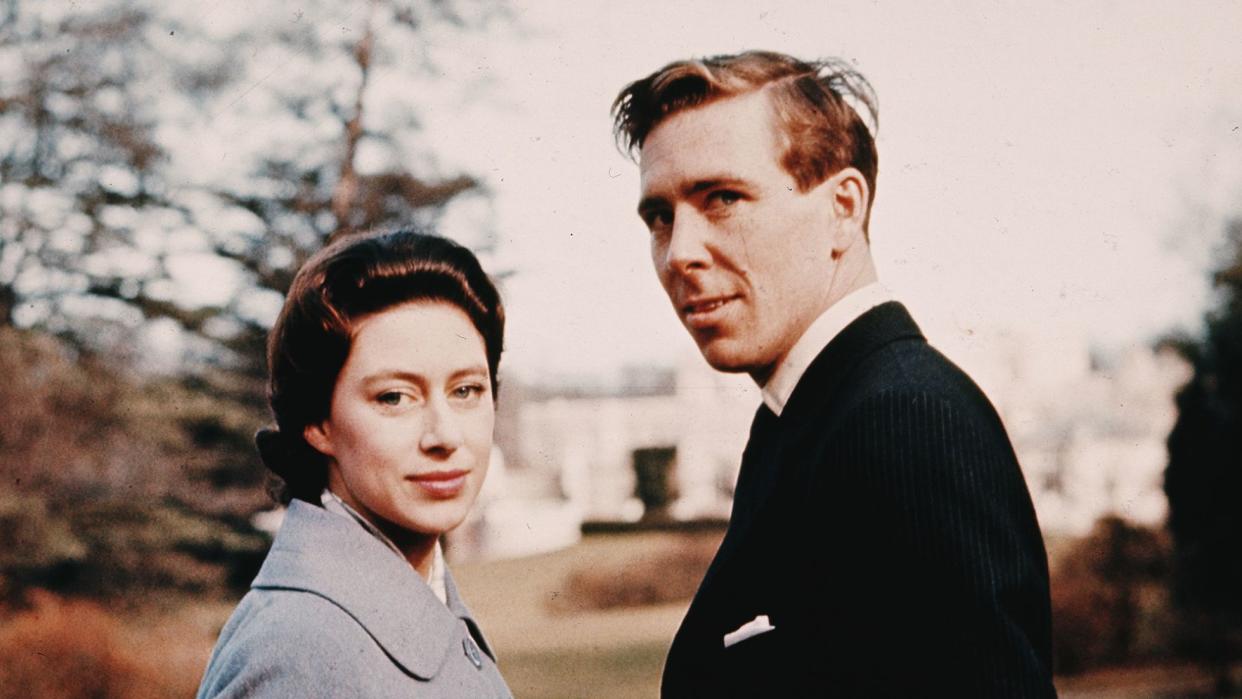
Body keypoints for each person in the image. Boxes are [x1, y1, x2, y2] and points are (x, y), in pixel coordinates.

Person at [612, 51, 1055, 696]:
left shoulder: (899, 418)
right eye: (661, 217)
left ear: (844, 207)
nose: (679, 252)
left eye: (723, 198)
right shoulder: (809, 415)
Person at [197, 229, 513, 698]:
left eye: (465, 390)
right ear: (317, 422)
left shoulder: (417, 603)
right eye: (394, 397)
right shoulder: (297, 651)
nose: (445, 436)